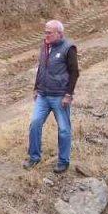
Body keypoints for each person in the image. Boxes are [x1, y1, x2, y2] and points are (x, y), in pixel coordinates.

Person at [24, 19, 78, 174]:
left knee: (63, 130)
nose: (46, 35)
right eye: (45, 32)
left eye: (49, 33)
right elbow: (42, 68)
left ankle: (63, 161)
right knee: (35, 124)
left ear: (59, 33)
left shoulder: (69, 48)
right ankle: (34, 157)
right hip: (43, 95)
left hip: (60, 97)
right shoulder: (45, 46)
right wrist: (36, 88)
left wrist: (68, 94)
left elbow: (75, 72)